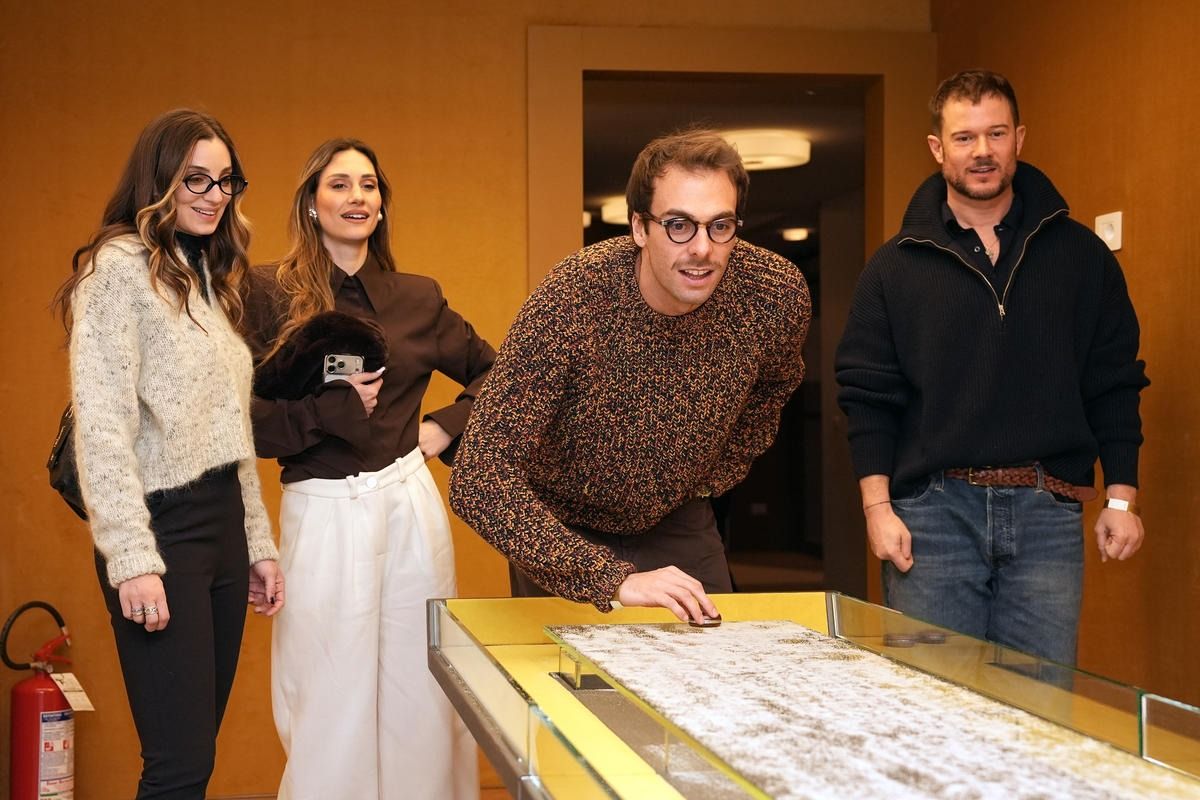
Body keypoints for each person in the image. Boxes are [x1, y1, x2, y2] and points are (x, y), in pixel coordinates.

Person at [835, 70, 1148, 665]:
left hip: (1048, 514)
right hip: (931, 517)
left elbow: (1114, 382)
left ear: (1019, 139)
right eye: (964, 137)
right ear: (937, 148)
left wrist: (1121, 499)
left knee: (1039, 702)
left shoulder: (1082, 257)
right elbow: (867, 398)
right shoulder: (893, 268)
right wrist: (877, 510)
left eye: (996, 134)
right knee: (931, 698)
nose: (982, 151)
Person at [450, 128, 811, 623]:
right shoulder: (573, 298)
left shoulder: (774, 294)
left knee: (716, 657)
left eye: (720, 225)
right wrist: (609, 578)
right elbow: (479, 476)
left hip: (679, 516)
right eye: (679, 225)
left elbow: (775, 386)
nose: (702, 248)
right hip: (563, 525)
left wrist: (711, 476)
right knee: (571, 670)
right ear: (640, 227)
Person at [242, 138, 491, 800]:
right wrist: (321, 415)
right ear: (312, 203)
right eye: (340, 184)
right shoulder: (268, 293)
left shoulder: (418, 298)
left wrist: (445, 426)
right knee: (328, 692)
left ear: (381, 205)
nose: (357, 197)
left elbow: (503, 375)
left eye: (369, 185)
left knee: (423, 691)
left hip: (408, 502)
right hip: (321, 507)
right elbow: (240, 416)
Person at [56, 109, 284, 799]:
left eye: (226, 180)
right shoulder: (116, 270)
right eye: (196, 179)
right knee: (177, 766)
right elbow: (103, 425)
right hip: (161, 531)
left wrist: (257, 541)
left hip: (222, 529)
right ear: (159, 180)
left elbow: (229, 430)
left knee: (196, 757)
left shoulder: (205, 276)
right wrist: (130, 557)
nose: (215, 195)